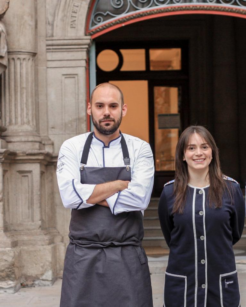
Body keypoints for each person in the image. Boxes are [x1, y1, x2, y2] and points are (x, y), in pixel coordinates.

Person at [56, 83, 154, 307]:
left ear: (123, 109)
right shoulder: (71, 147)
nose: (106, 112)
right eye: (100, 106)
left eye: (113, 105)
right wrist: (120, 185)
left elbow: (140, 199)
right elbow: (69, 197)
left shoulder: (140, 149)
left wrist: (88, 194)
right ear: (89, 109)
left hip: (127, 257)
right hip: (82, 259)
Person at [158, 125, 245, 307]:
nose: (199, 153)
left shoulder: (231, 190)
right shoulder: (169, 193)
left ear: (212, 152)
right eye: (191, 148)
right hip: (182, 288)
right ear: (182, 154)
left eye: (204, 147)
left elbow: (234, 234)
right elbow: (171, 236)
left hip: (221, 286)